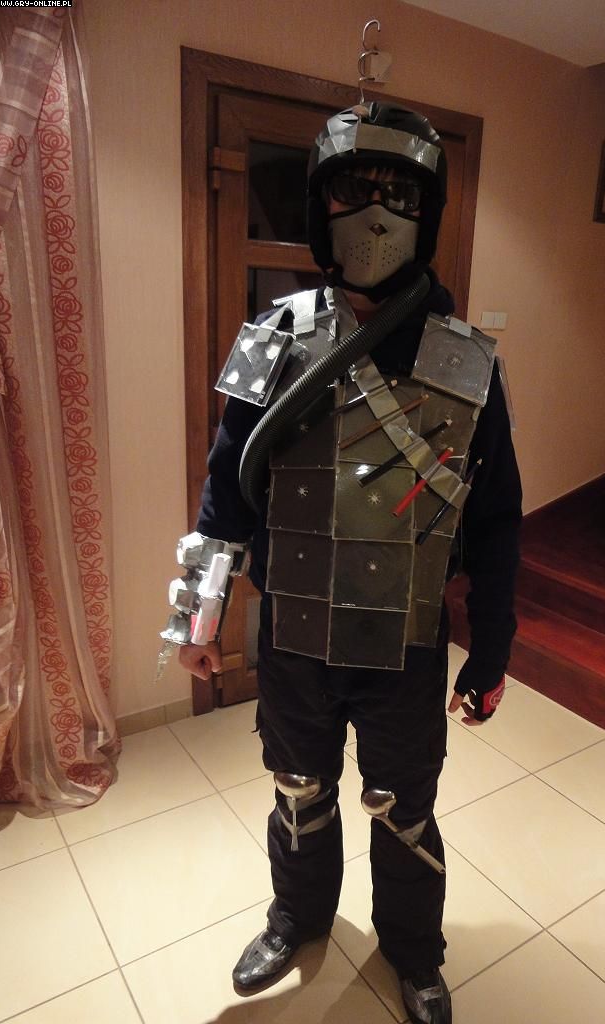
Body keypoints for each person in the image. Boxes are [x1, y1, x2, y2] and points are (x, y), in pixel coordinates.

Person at [169, 102, 522, 1024]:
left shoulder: (466, 362)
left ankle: (413, 951)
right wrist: (200, 621)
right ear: (319, 207)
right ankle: (297, 917)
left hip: (405, 641)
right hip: (293, 631)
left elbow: (496, 521)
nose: (374, 215)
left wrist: (491, 651)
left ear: (426, 213)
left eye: (398, 195)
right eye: (353, 192)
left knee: (403, 809)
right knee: (298, 791)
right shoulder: (275, 338)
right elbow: (224, 492)